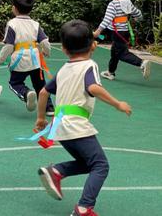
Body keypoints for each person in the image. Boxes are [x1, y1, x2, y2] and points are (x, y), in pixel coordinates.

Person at [35, 19, 132, 216]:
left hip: (60, 126)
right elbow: (93, 87)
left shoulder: (64, 69)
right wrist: (117, 104)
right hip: (75, 124)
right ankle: (84, 207)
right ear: (93, 45)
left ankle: (57, 171)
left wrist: (40, 119)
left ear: (63, 49)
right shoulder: (89, 65)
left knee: (88, 163)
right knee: (100, 165)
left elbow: (44, 92)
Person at [0, 0, 54, 115]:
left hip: (20, 59)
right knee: (40, 84)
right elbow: (45, 41)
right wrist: (46, 52)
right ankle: (49, 108)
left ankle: (26, 93)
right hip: (35, 59)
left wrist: (1, 58)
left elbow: (9, 46)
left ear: (14, 8)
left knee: (15, 83)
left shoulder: (12, 24)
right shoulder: (35, 24)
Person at [93, 0, 150, 80]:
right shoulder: (127, 2)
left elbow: (106, 20)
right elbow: (138, 13)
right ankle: (110, 72)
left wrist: (98, 31)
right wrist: (138, 19)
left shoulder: (112, 4)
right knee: (115, 52)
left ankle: (141, 63)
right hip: (124, 32)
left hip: (117, 33)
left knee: (122, 54)